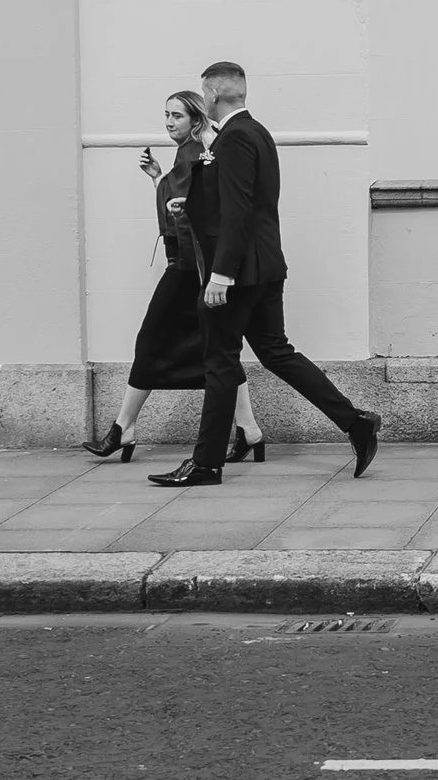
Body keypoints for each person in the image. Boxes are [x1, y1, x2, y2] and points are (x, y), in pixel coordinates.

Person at [147, 62, 381, 487]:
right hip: (266, 265)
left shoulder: (233, 138)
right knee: (276, 353)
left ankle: (205, 463)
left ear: (213, 95)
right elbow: (247, 203)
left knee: (219, 361)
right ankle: (356, 422)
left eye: (204, 94)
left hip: (238, 273)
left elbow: (238, 210)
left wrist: (220, 275)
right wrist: (193, 206)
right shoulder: (257, 132)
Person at [83, 90, 264, 463]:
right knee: (218, 351)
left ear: (196, 119)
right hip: (189, 264)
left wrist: (167, 189)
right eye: (165, 115)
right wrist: (157, 179)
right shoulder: (190, 152)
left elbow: (192, 210)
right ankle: (249, 430)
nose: (168, 122)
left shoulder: (197, 151)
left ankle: (124, 428)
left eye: (177, 116)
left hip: (189, 267)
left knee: (155, 341)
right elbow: (179, 202)